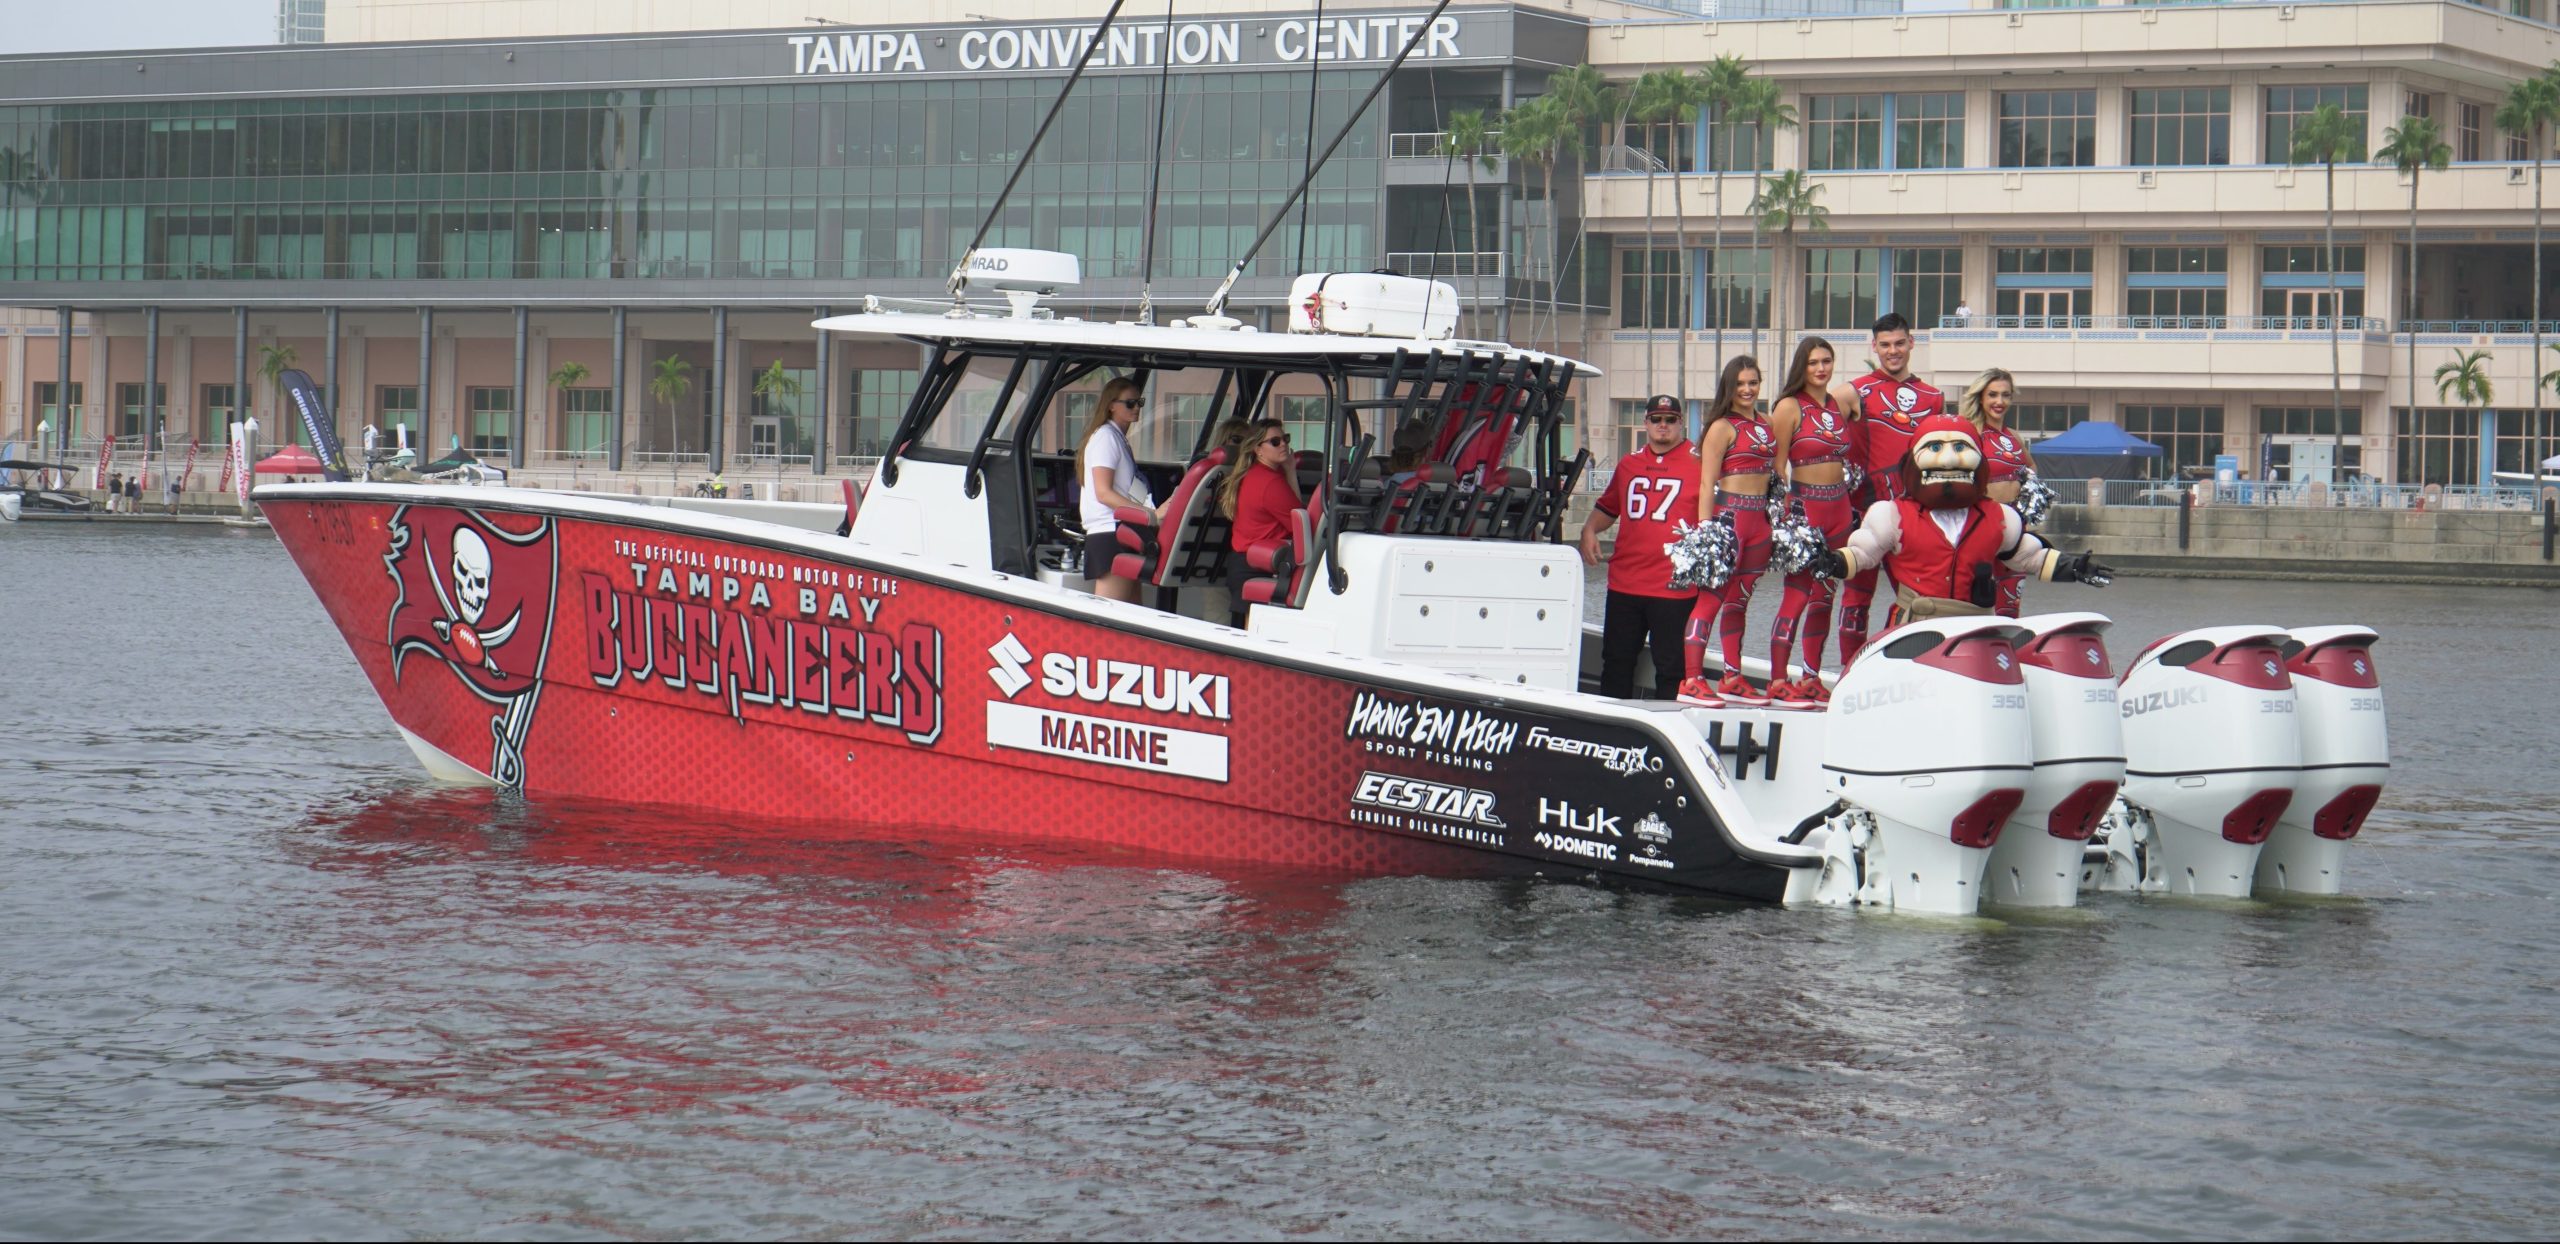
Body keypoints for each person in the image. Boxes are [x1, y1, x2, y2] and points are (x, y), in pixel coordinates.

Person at [1818, 414, 2109, 623]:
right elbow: (1863, 552)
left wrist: (2073, 567)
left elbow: (2028, 556)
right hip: (1915, 629)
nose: (1948, 461)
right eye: (1934, 449)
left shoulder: (1997, 516)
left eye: (1960, 448)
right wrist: (1833, 562)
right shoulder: (1892, 514)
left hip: (1976, 628)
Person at [1839, 312, 1947, 668]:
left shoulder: (1933, 397)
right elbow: (1810, 415)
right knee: (1856, 599)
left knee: (1919, 599)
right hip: (1864, 515)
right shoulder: (1856, 391)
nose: (1893, 351)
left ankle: (1895, 669)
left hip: (1912, 517)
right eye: (1885, 345)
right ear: (1875, 346)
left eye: (1900, 343)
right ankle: (1849, 674)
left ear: (1911, 343)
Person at [1580, 394, 1700, 700]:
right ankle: (1612, 731)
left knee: (1671, 669)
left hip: (1674, 587)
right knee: (1616, 664)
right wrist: (1590, 529)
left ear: (1680, 423)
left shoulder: (1700, 463)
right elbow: (1608, 507)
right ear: (1645, 422)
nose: (1663, 426)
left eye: (1670, 420)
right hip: (1625, 583)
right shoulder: (1629, 464)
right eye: (1656, 419)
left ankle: (1667, 734)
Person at [1764, 336, 1861, 707]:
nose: (1821, 368)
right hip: (1807, 511)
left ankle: (1810, 676)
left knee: (1825, 597)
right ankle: (1776, 678)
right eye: (1813, 362)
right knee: (1797, 596)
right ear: (1801, 367)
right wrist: (1786, 516)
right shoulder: (1789, 407)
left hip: (1840, 509)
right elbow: (1776, 466)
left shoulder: (1836, 404)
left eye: (1826, 361)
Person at [1679, 356, 1778, 706]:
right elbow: (1707, 483)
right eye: (1740, 384)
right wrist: (1707, 531)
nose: (1748, 390)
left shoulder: (1766, 424)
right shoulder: (1722, 426)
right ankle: (1691, 679)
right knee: (1711, 600)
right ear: (1729, 388)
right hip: (1729, 521)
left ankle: (1732, 677)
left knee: (1740, 601)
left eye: (1753, 383)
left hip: (1760, 524)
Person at [1959, 368, 2037, 618]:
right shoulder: (1969, 433)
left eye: (2005, 395)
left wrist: (2028, 503)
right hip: (1980, 527)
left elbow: (2032, 469)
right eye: (1992, 394)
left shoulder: (2013, 437)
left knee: (2010, 605)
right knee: (1973, 602)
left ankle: (2007, 654)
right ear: (1980, 397)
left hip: (2015, 530)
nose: (1999, 402)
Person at [1078, 377, 1161, 604]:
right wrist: (1149, 515)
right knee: (1111, 616)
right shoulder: (1106, 437)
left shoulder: (1117, 438)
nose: (1136, 408)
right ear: (1111, 405)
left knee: (1131, 615)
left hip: (1121, 530)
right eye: (1130, 403)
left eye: (1139, 402)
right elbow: (1103, 493)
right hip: (1110, 532)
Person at [1218, 418, 1300, 627]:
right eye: (1275, 442)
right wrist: (1290, 472)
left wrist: (1289, 470)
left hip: (1245, 564)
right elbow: (1301, 523)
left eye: (1285, 439)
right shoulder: (1270, 482)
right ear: (1258, 449)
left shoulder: (1257, 475)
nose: (1283, 444)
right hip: (1256, 566)